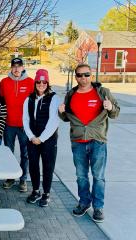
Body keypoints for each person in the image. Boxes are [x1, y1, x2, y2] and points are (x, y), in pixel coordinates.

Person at [58, 63, 120, 222]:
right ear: (76, 77)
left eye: (86, 74)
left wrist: (110, 106)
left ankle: (98, 207)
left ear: (91, 75)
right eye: (79, 75)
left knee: (98, 176)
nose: (83, 78)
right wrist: (61, 113)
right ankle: (84, 202)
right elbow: (67, 118)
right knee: (81, 176)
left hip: (97, 141)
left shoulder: (102, 92)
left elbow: (115, 113)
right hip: (78, 142)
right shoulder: (71, 94)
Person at [23, 69, 60, 207]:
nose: (41, 84)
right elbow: (25, 119)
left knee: (48, 166)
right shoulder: (29, 99)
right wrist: (32, 136)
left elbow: (54, 121)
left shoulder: (54, 97)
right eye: (38, 81)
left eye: (44, 81)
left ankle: (46, 193)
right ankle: (36, 190)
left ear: (48, 82)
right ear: (35, 82)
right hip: (32, 139)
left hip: (48, 140)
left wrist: (41, 138)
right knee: (33, 166)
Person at [0, 57, 35, 192]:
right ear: (11, 68)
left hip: (24, 126)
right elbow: (0, 101)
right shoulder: (4, 82)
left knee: (25, 154)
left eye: (19, 66)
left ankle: (23, 180)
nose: (16, 69)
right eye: (14, 66)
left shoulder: (30, 82)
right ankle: (10, 178)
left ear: (23, 67)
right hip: (8, 125)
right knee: (9, 153)